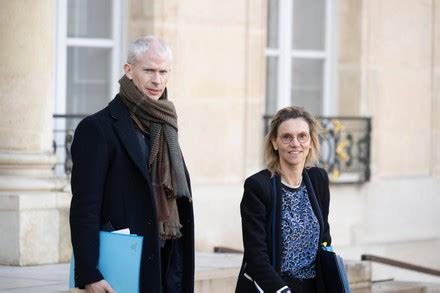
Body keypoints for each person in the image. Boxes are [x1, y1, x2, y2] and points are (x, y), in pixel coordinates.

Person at [70, 36, 194, 293]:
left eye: (163, 71)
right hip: (124, 266)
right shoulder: (97, 129)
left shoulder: (166, 124)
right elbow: (85, 208)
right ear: (129, 70)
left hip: (169, 260)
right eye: (149, 70)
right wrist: (89, 273)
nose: (157, 80)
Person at [235, 106, 332, 293]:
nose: (295, 143)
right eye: (287, 137)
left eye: (302, 136)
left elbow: (325, 238)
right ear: (274, 142)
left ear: (311, 141)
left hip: (313, 286)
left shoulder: (318, 179)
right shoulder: (258, 186)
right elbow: (256, 257)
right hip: (274, 286)